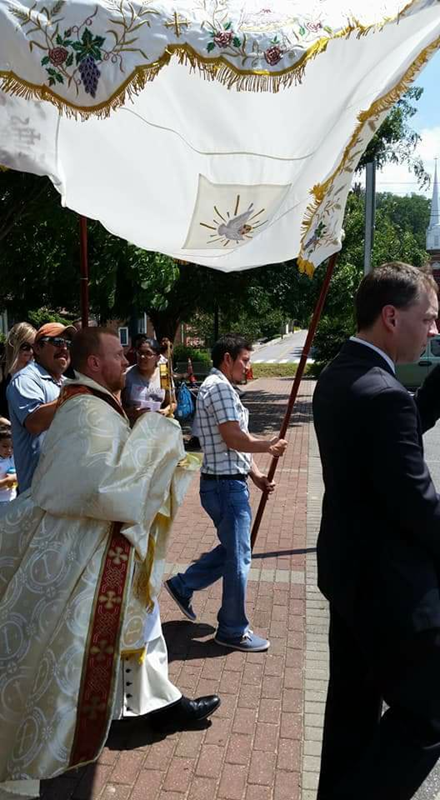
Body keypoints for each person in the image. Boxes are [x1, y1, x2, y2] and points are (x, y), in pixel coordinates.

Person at [0, 327, 220, 800]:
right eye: (118, 353)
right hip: (79, 562)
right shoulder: (86, 410)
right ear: (95, 364)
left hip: (102, 555)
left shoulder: (95, 404)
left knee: (129, 638)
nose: (127, 360)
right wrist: (158, 436)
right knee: (55, 661)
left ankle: (145, 707)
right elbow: (103, 488)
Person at [313, 262, 440, 800]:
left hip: (349, 579)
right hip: (392, 590)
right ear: (392, 316)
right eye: (427, 318)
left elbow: (393, 433)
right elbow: (417, 504)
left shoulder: (342, 373)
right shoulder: (382, 394)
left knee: (352, 715)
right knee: (427, 715)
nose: (433, 329)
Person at [165, 333, 288, 653]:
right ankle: (232, 629)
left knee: (234, 550)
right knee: (239, 556)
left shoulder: (221, 387)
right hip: (225, 486)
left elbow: (233, 443)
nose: (248, 367)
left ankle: (184, 584)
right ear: (228, 359)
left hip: (225, 482)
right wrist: (268, 446)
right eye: (245, 360)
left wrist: (256, 475)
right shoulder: (219, 388)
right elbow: (233, 437)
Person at [6, 321, 75, 491]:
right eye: (57, 342)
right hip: (37, 493)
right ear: (37, 348)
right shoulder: (25, 379)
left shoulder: (69, 384)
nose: (64, 348)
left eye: (68, 343)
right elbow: (35, 423)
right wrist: (75, 395)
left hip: (67, 486)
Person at [122, 335, 175, 424]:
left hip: (156, 426)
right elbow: (116, 404)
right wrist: (131, 412)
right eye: (140, 353)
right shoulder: (127, 374)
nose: (143, 357)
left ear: (157, 358)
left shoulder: (163, 374)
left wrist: (165, 411)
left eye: (148, 353)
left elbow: (172, 403)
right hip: (133, 427)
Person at [0, 322, 36, 418]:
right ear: (15, 344)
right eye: (26, 346)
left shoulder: (37, 370)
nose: (31, 351)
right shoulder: (2, 370)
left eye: (34, 347)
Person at [0, 428, 17, 502]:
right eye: (5, 446)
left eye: (12, 447)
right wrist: (8, 480)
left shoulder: (13, 458)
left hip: (12, 498)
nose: (9, 450)